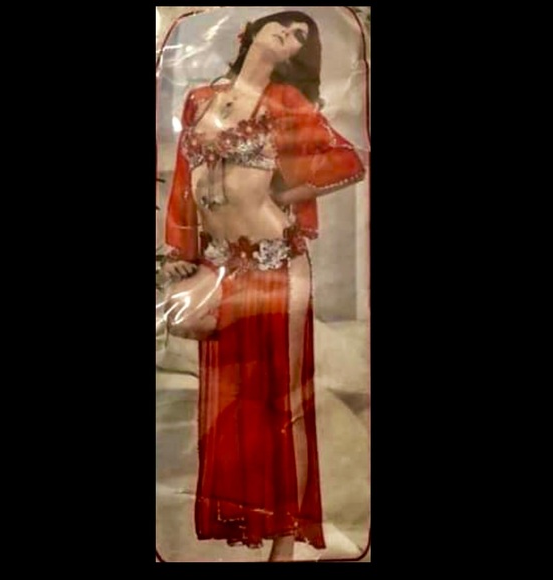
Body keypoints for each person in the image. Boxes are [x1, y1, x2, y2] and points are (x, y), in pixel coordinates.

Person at [160, 10, 366, 562]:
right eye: (285, 26)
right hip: (221, 268)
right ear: (250, 33)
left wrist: (282, 192)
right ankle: (246, 517)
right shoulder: (200, 100)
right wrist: (181, 253)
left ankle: (286, 543)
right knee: (231, 402)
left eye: (301, 37)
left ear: (296, 57)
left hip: (278, 266)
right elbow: (183, 185)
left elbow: (348, 161)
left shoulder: (286, 102)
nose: (292, 36)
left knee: (285, 401)